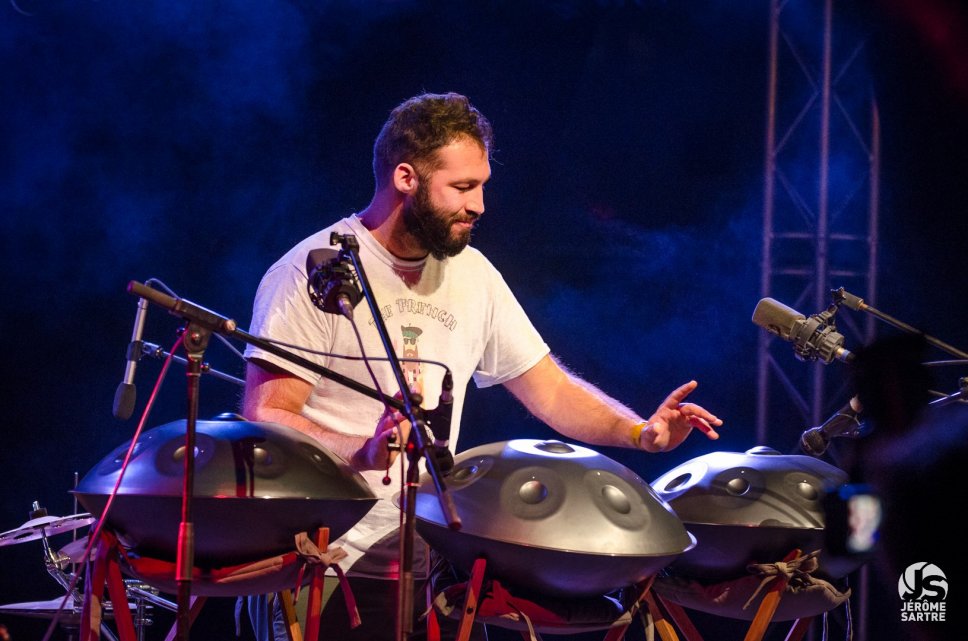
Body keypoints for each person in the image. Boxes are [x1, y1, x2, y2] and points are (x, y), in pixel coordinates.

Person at [242, 91, 723, 640]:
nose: (480, 206)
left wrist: (640, 431)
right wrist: (363, 449)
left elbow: (550, 389)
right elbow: (268, 416)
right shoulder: (313, 270)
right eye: (463, 187)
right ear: (406, 178)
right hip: (329, 567)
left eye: (483, 186)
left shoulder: (473, 274)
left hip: (436, 568)